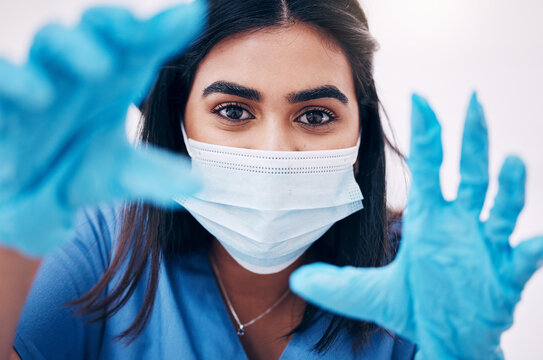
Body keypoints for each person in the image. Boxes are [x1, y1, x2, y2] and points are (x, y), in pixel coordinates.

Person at [0, 0, 542, 359]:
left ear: (361, 138)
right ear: (180, 120)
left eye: (315, 116)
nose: (274, 154)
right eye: (234, 111)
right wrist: (10, 240)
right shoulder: (102, 241)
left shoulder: (421, 274)